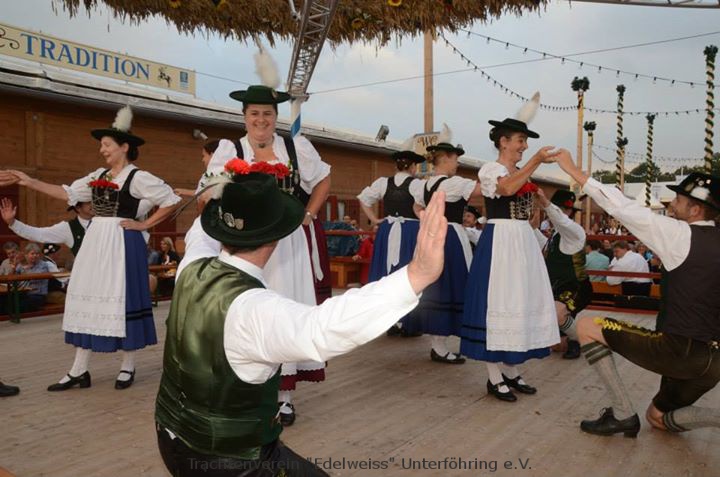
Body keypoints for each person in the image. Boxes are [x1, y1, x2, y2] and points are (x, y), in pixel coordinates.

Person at [155, 172, 448, 476]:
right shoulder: (254, 309)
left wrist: (217, 196)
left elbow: (199, 235)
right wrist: (416, 275)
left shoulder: (191, 267)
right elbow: (321, 329)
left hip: (170, 436)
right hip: (233, 462)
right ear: (276, 237)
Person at [176, 84, 331, 426]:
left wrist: (308, 214)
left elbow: (323, 179)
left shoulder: (296, 147)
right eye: (255, 113)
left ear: (276, 116)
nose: (261, 119)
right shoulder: (230, 149)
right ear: (244, 116)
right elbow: (206, 194)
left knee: (284, 311)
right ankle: (248, 391)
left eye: (268, 113)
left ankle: (284, 398)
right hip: (245, 245)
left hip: (287, 243)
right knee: (245, 311)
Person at [0, 105, 180, 391]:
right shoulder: (99, 175)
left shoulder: (137, 177)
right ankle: (78, 370)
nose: (102, 150)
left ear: (124, 147)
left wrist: (144, 225)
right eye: (102, 145)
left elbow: (170, 199)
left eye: (106, 144)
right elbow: (67, 193)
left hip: (122, 242)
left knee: (123, 299)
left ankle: (128, 365)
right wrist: (28, 181)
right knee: (87, 297)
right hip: (96, 241)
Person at [555, 150, 720, 438]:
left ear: (695, 210)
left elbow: (624, 208)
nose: (671, 206)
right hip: (714, 361)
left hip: (679, 350)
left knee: (587, 326)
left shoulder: (679, 235)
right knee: (657, 418)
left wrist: (575, 172)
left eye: (678, 200)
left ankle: (622, 414)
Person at [460, 117, 560, 403]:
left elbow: (526, 208)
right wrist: (536, 161)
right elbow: (505, 189)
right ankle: (494, 376)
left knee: (519, 301)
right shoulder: (491, 170)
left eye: (525, 142)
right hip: (501, 240)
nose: (525, 146)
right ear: (503, 142)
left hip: (521, 240)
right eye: (520, 140)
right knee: (499, 301)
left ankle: (511, 371)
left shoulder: (520, 172)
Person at [408, 140, 483, 363]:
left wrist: (427, 218)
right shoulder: (454, 184)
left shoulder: (423, 185)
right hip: (449, 237)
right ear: (446, 158)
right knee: (450, 286)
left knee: (436, 287)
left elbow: (416, 206)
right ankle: (440, 347)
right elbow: (482, 191)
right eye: (456, 159)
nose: (457, 164)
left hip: (431, 236)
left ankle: (438, 345)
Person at [357, 148, 425, 336]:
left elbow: (363, 198)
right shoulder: (417, 185)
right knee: (409, 274)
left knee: (386, 273)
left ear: (397, 166)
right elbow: (422, 206)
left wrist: (375, 219)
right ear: (413, 167)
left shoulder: (383, 183)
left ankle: (389, 322)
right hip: (410, 230)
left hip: (387, 230)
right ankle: (408, 323)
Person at [532, 189, 590, 360]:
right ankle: (568, 339)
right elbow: (545, 246)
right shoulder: (556, 234)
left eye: (562, 209)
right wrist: (533, 228)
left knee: (558, 313)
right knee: (557, 344)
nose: (558, 213)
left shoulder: (575, 231)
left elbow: (562, 221)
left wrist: (545, 202)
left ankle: (583, 340)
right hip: (557, 287)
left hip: (576, 286)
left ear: (569, 211)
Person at [1, 197, 93, 259]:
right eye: (89, 202)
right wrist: (12, 222)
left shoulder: (101, 223)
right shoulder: (68, 228)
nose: (94, 204)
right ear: (78, 208)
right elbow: (39, 234)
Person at [14, 242, 51, 312]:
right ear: (26, 255)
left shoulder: (43, 265)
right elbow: (13, 277)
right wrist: (14, 267)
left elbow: (35, 277)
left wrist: (26, 269)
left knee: (19, 305)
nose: (35, 256)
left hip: (37, 295)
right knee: (7, 300)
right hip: (23, 293)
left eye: (37, 254)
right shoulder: (22, 264)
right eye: (32, 254)